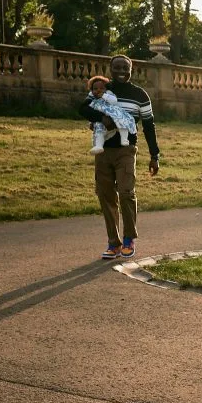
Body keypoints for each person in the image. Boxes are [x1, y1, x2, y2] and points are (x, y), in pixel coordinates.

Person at [78, 55, 160, 260]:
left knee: (126, 192)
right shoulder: (102, 89)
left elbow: (149, 126)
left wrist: (154, 155)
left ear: (131, 70)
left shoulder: (140, 95)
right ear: (111, 69)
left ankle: (128, 239)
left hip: (126, 150)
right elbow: (83, 108)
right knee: (105, 195)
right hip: (104, 150)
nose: (121, 70)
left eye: (126, 67)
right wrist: (102, 119)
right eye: (117, 67)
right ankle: (113, 243)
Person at [86, 76, 137, 155]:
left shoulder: (108, 94)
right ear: (92, 91)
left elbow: (114, 101)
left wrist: (104, 95)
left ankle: (124, 139)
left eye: (101, 88)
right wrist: (91, 122)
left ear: (106, 89)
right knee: (99, 128)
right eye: (95, 89)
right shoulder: (93, 100)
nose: (98, 90)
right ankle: (99, 146)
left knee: (123, 121)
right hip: (102, 118)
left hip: (113, 113)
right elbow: (90, 112)